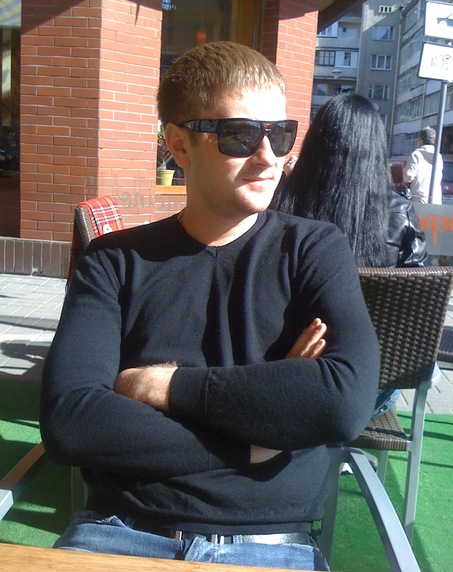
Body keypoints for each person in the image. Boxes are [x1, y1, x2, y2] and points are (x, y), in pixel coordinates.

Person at [40, 42, 379, 570]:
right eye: (239, 135)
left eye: (280, 134)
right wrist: (259, 435)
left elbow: (343, 400)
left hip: (269, 548)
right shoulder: (114, 261)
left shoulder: (314, 248)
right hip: (120, 533)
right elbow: (72, 421)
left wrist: (163, 387)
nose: (269, 157)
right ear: (178, 144)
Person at [271, 93, 427, 416]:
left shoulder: (281, 204)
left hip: (286, 378)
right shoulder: (401, 215)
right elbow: (417, 307)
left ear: (315, 143)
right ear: (377, 148)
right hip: (368, 391)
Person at [404, 127, 443, 204]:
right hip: (436, 198)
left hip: (419, 198)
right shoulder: (438, 156)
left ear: (420, 140)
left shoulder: (416, 154)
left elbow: (408, 177)